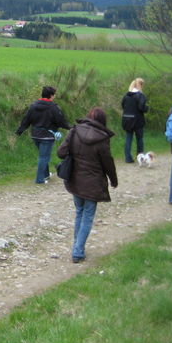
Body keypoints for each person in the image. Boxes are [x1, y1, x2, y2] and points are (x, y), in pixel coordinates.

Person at [57, 108, 118, 263]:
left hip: (75, 179)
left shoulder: (74, 131)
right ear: (103, 121)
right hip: (93, 183)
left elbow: (61, 152)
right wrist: (113, 179)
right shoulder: (102, 138)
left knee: (79, 212)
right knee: (87, 216)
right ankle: (77, 251)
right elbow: (107, 162)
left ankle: (77, 247)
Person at [16, 86, 71, 184]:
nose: (54, 97)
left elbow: (26, 119)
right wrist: (70, 127)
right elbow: (60, 121)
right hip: (47, 136)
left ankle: (45, 175)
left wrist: (20, 130)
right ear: (51, 95)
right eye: (54, 95)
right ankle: (39, 179)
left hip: (35, 135)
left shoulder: (33, 105)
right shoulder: (53, 107)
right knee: (44, 157)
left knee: (43, 156)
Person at [121, 77, 148, 163]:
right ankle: (140, 157)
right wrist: (147, 108)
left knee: (128, 138)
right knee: (139, 139)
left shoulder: (126, 95)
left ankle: (128, 158)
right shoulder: (140, 95)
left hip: (127, 120)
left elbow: (123, 105)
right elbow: (142, 107)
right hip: (137, 121)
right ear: (141, 85)